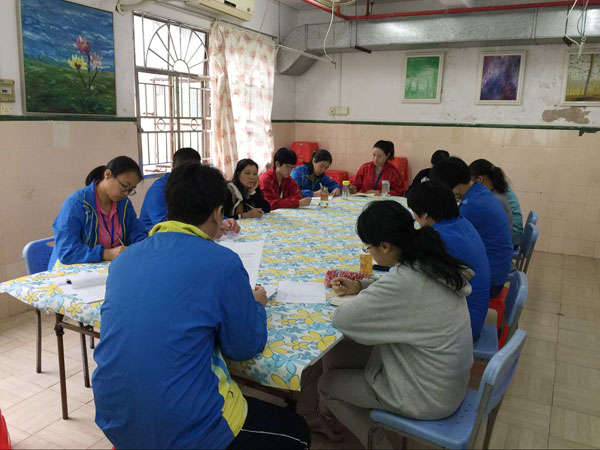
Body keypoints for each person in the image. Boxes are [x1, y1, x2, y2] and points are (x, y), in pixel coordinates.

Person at [92, 162, 311, 450]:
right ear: (218, 212)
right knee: (297, 431)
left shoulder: (124, 260)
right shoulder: (223, 262)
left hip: (114, 418)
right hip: (185, 429)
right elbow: (244, 347)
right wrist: (256, 304)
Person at [315, 200, 473, 448]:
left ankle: (379, 444)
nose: (370, 253)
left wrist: (366, 294)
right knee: (340, 353)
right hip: (447, 382)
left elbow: (343, 319)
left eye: (369, 247)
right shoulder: (431, 261)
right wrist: (361, 285)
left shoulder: (405, 281)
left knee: (326, 385)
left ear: (385, 246)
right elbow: (399, 288)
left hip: (426, 396)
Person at [408, 180, 491, 340]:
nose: (414, 217)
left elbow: (407, 278)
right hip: (474, 312)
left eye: (414, 212)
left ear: (424, 214)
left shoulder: (438, 238)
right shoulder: (461, 223)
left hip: (464, 326)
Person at [430, 156, 513, 297]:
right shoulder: (480, 192)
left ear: (457, 186)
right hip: (497, 270)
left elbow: (446, 241)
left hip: (490, 281)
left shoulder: (473, 206)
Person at [48, 156, 147, 269]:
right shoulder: (77, 204)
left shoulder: (123, 204)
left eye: (130, 190)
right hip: (71, 271)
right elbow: (67, 252)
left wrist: (141, 246)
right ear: (107, 175)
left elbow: (137, 233)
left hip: (109, 269)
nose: (125, 193)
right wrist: (106, 253)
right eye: (124, 186)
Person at [139, 147, 240, 235]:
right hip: (154, 236)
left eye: (191, 172)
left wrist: (223, 220)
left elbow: (204, 210)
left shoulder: (196, 184)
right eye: (181, 171)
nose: (185, 177)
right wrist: (206, 229)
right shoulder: (157, 190)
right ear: (173, 168)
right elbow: (164, 225)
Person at [469, 159, 524, 248]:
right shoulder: (499, 186)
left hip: (510, 240)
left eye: (471, 182)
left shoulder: (495, 197)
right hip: (511, 235)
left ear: (479, 179)